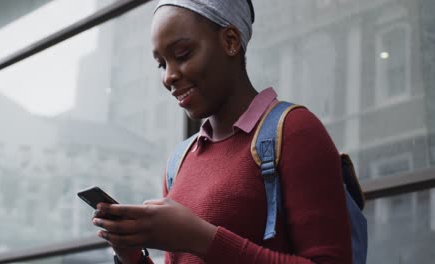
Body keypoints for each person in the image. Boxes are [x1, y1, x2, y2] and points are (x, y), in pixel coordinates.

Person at [92, 0, 353, 263]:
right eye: (162, 64)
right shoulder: (179, 162)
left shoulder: (296, 131)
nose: (168, 76)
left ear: (230, 41)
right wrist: (131, 257)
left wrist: (199, 238)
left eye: (182, 54)